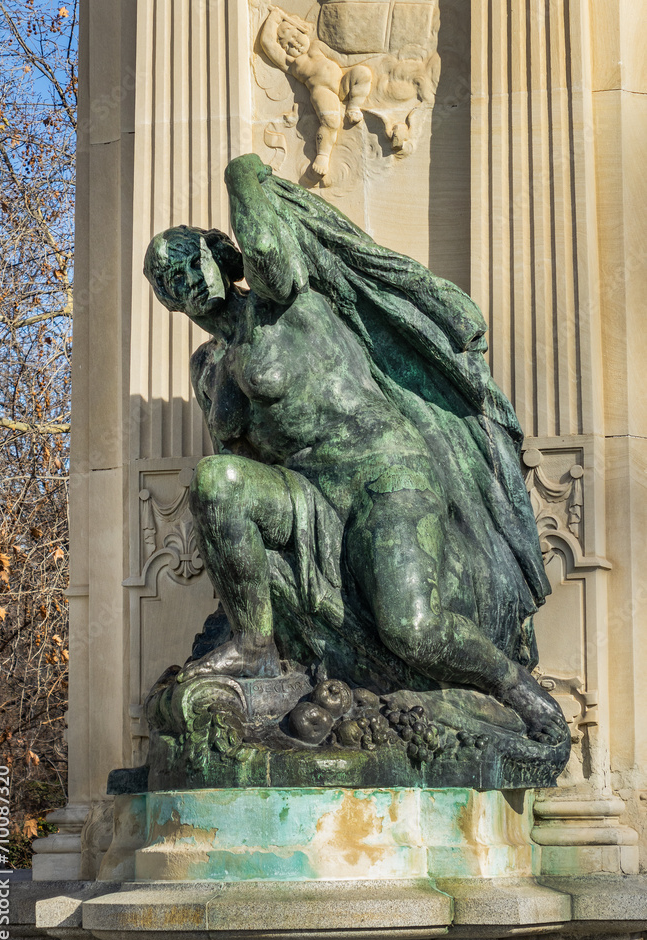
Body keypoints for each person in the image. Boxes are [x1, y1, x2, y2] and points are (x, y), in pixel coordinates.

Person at [143, 153, 567, 746]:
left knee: (412, 627)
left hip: (383, 478)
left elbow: (266, 247)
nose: (181, 281)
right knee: (218, 480)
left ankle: (515, 685)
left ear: (219, 256)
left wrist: (240, 176)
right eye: (166, 280)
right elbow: (242, 467)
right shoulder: (208, 367)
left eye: (188, 261)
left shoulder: (285, 303)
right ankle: (254, 645)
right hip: (309, 497)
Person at [259, 6, 372, 175]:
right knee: (330, 121)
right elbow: (267, 43)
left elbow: (343, 58)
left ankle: (353, 107)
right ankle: (323, 155)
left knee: (363, 73)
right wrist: (274, 17)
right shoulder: (291, 64)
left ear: (303, 33)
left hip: (341, 82)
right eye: (287, 45)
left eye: (296, 36)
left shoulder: (317, 46)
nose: (294, 43)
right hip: (322, 91)